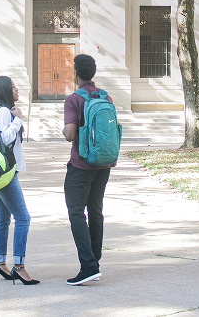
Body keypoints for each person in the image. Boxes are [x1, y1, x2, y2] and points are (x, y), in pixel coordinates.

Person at [61, 54, 117, 285]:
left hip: (81, 164)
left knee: (76, 212)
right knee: (95, 211)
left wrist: (64, 129)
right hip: (104, 163)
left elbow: (70, 134)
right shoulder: (106, 97)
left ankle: (88, 266)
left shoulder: (74, 99)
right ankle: (95, 261)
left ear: (76, 73)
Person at [0, 76, 39, 285]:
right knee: (23, 218)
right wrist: (18, 120)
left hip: (0, 172)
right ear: (3, 91)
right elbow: (4, 139)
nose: (17, 90)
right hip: (5, 173)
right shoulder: (2, 112)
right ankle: (19, 266)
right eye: (13, 87)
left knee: (3, 218)